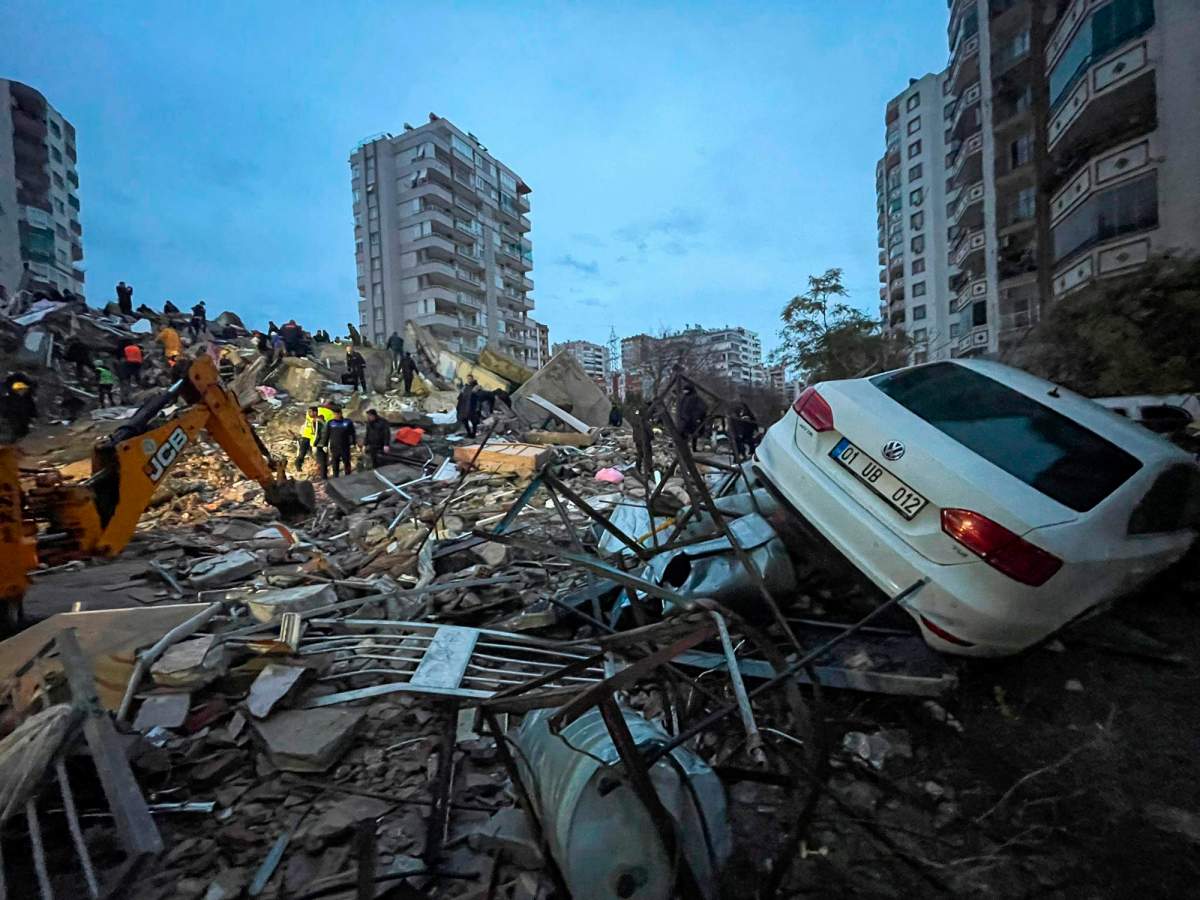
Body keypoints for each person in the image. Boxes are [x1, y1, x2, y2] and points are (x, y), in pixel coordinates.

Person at [323, 405, 357, 478]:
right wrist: (325, 444)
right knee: (335, 463)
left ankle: (348, 477)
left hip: (345, 446)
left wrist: (353, 443)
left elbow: (352, 433)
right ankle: (336, 478)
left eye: (336, 414)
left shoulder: (347, 422)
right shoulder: (330, 423)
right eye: (334, 414)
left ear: (340, 414)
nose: (335, 416)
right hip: (334, 447)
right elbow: (327, 434)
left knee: (346, 462)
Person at [677, 383, 708, 452]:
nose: (685, 391)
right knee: (684, 434)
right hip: (686, 419)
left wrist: (696, 417)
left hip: (691, 419)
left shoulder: (694, 397)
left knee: (692, 434)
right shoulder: (685, 397)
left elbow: (702, 408)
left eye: (686, 390)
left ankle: (690, 448)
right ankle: (684, 448)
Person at [296, 406, 322, 472]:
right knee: (302, 453)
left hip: (313, 438)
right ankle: (298, 467)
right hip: (305, 437)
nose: (309, 413)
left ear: (315, 412)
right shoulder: (309, 416)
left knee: (313, 453)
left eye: (310, 412)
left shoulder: (318, 418)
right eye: (309, 412)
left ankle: (317, 466)